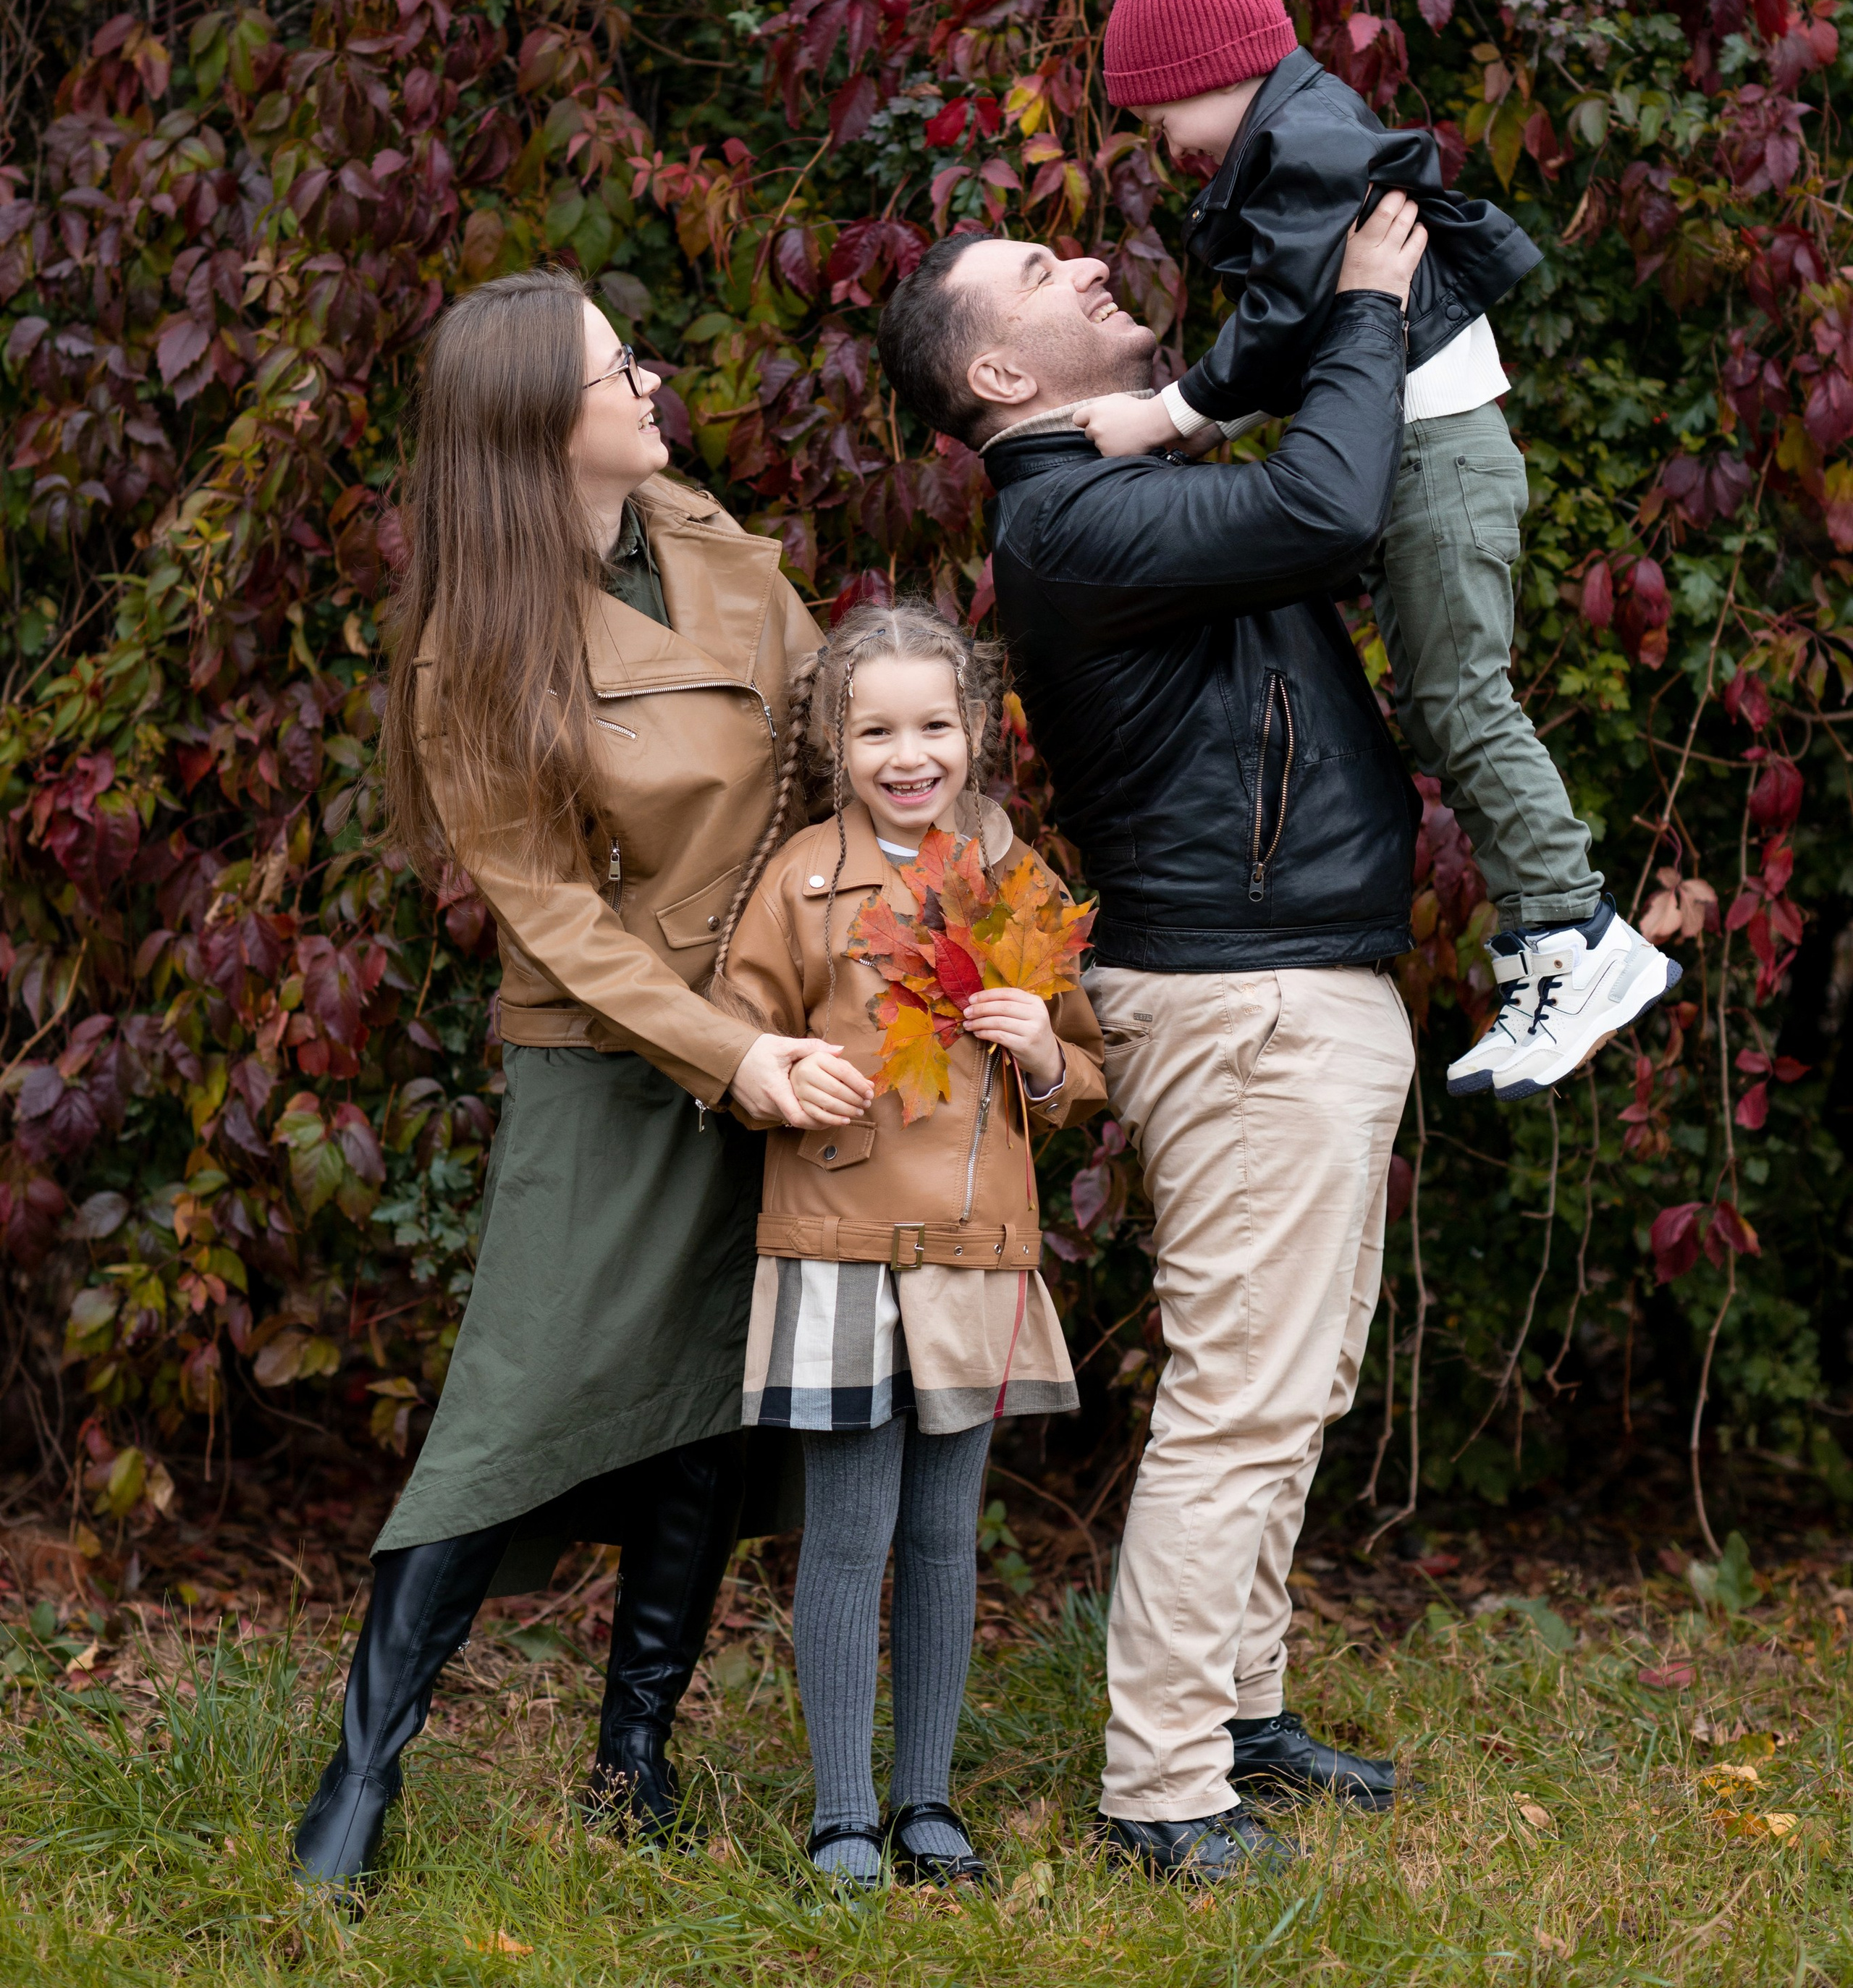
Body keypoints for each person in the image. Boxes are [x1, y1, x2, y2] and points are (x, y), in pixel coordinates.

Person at [291, 267, 871, 1893]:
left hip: (783, 1027)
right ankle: (359, 1783)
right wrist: (731, 1053)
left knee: (703, 1407)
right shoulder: (475, 647)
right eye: (623, 368)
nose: (652, 382)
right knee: (513, 1408)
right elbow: (554, 925)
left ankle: (635, 1759)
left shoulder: (700, 538)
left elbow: (831, 725)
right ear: (542, 421)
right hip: (616, 1068)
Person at [873, 195, 1427, 1883]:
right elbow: (1331, 499)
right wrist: (1369, 304)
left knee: (1296, 1377)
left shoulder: (1115, 494)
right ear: (993, 365)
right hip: (1246, 995)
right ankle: (1163, 1785)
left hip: (1295, 977)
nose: (1089, 266)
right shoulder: (1069, 523)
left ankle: (1239, 1713)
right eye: (1041, 277)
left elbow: (1305, 516)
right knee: (1242, 1395)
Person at [1073, 0, 1681, 1100]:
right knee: (1448, 702)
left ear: (1207, 71)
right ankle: (1559, 940)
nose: (1161, 145)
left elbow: (1296, 314)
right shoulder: (1302, 136)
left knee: (1464, 700)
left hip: (1435, 457)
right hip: (1422, 454)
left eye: (1158, 116)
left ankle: (1577, 938)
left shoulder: (1307, 143)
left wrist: (1171, 417)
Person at [710, 602, 1107, 1891]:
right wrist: (774, 1079)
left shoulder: (1016, 881)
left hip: (976, 1246)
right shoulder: (801, 879)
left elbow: (1088, 1064)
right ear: (835, 740)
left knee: (945, 1534)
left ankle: (928, 1804)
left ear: (976, 732)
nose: (907, 753)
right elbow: (733, 1036)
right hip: (835, 1236)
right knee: (847, 1533)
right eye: (875, 729)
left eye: (933, 724)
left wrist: (1044, 1047)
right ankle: (841, 1813)